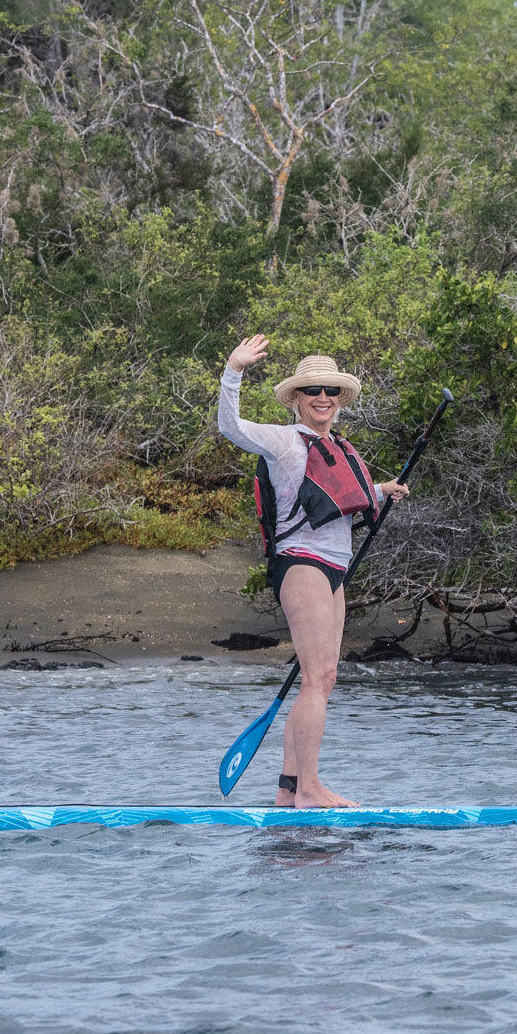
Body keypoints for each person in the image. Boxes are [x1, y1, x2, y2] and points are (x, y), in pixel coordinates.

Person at [218, 336, 408, 809]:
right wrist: (233, 370)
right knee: (317, 676)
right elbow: (230, 426)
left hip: (335, 569)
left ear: (340, 399)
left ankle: (287, 791)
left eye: (330, 390)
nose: (322, 397)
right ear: (298, 400)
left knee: (323, 679)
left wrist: (382, 491)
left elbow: (342, 503)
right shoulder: (283, 440)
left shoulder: (340, 447)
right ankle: (309, 787)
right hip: (301, 562)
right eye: (312, 390)